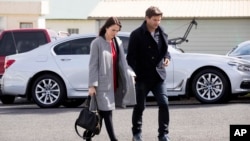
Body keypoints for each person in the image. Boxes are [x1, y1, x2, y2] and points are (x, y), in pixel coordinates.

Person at [126, 6, 171, 141]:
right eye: (154, 20)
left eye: (159, 20)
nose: (157, 22)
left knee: (164, 103)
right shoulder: (136, 34)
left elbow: (166, 50)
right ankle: (137, 134)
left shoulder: (161, 32)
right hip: (142, 77)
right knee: (139, 106)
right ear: (147, 18)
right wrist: (137, 73)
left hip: (158, 76)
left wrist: (167, 58)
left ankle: (163, 135)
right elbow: (130, 58)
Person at [88, 17, 136, 141]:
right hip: (102, 85)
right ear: (106, 27)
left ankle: (87, 136)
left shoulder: (117, 41)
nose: (115, 33)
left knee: (102, 114)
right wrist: (92, 85)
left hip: (114, 83)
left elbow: (122, 62)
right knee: (107, 112)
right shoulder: (97, 43)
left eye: (117, 30)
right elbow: (93, 65)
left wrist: (130, 74)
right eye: (113, 30)